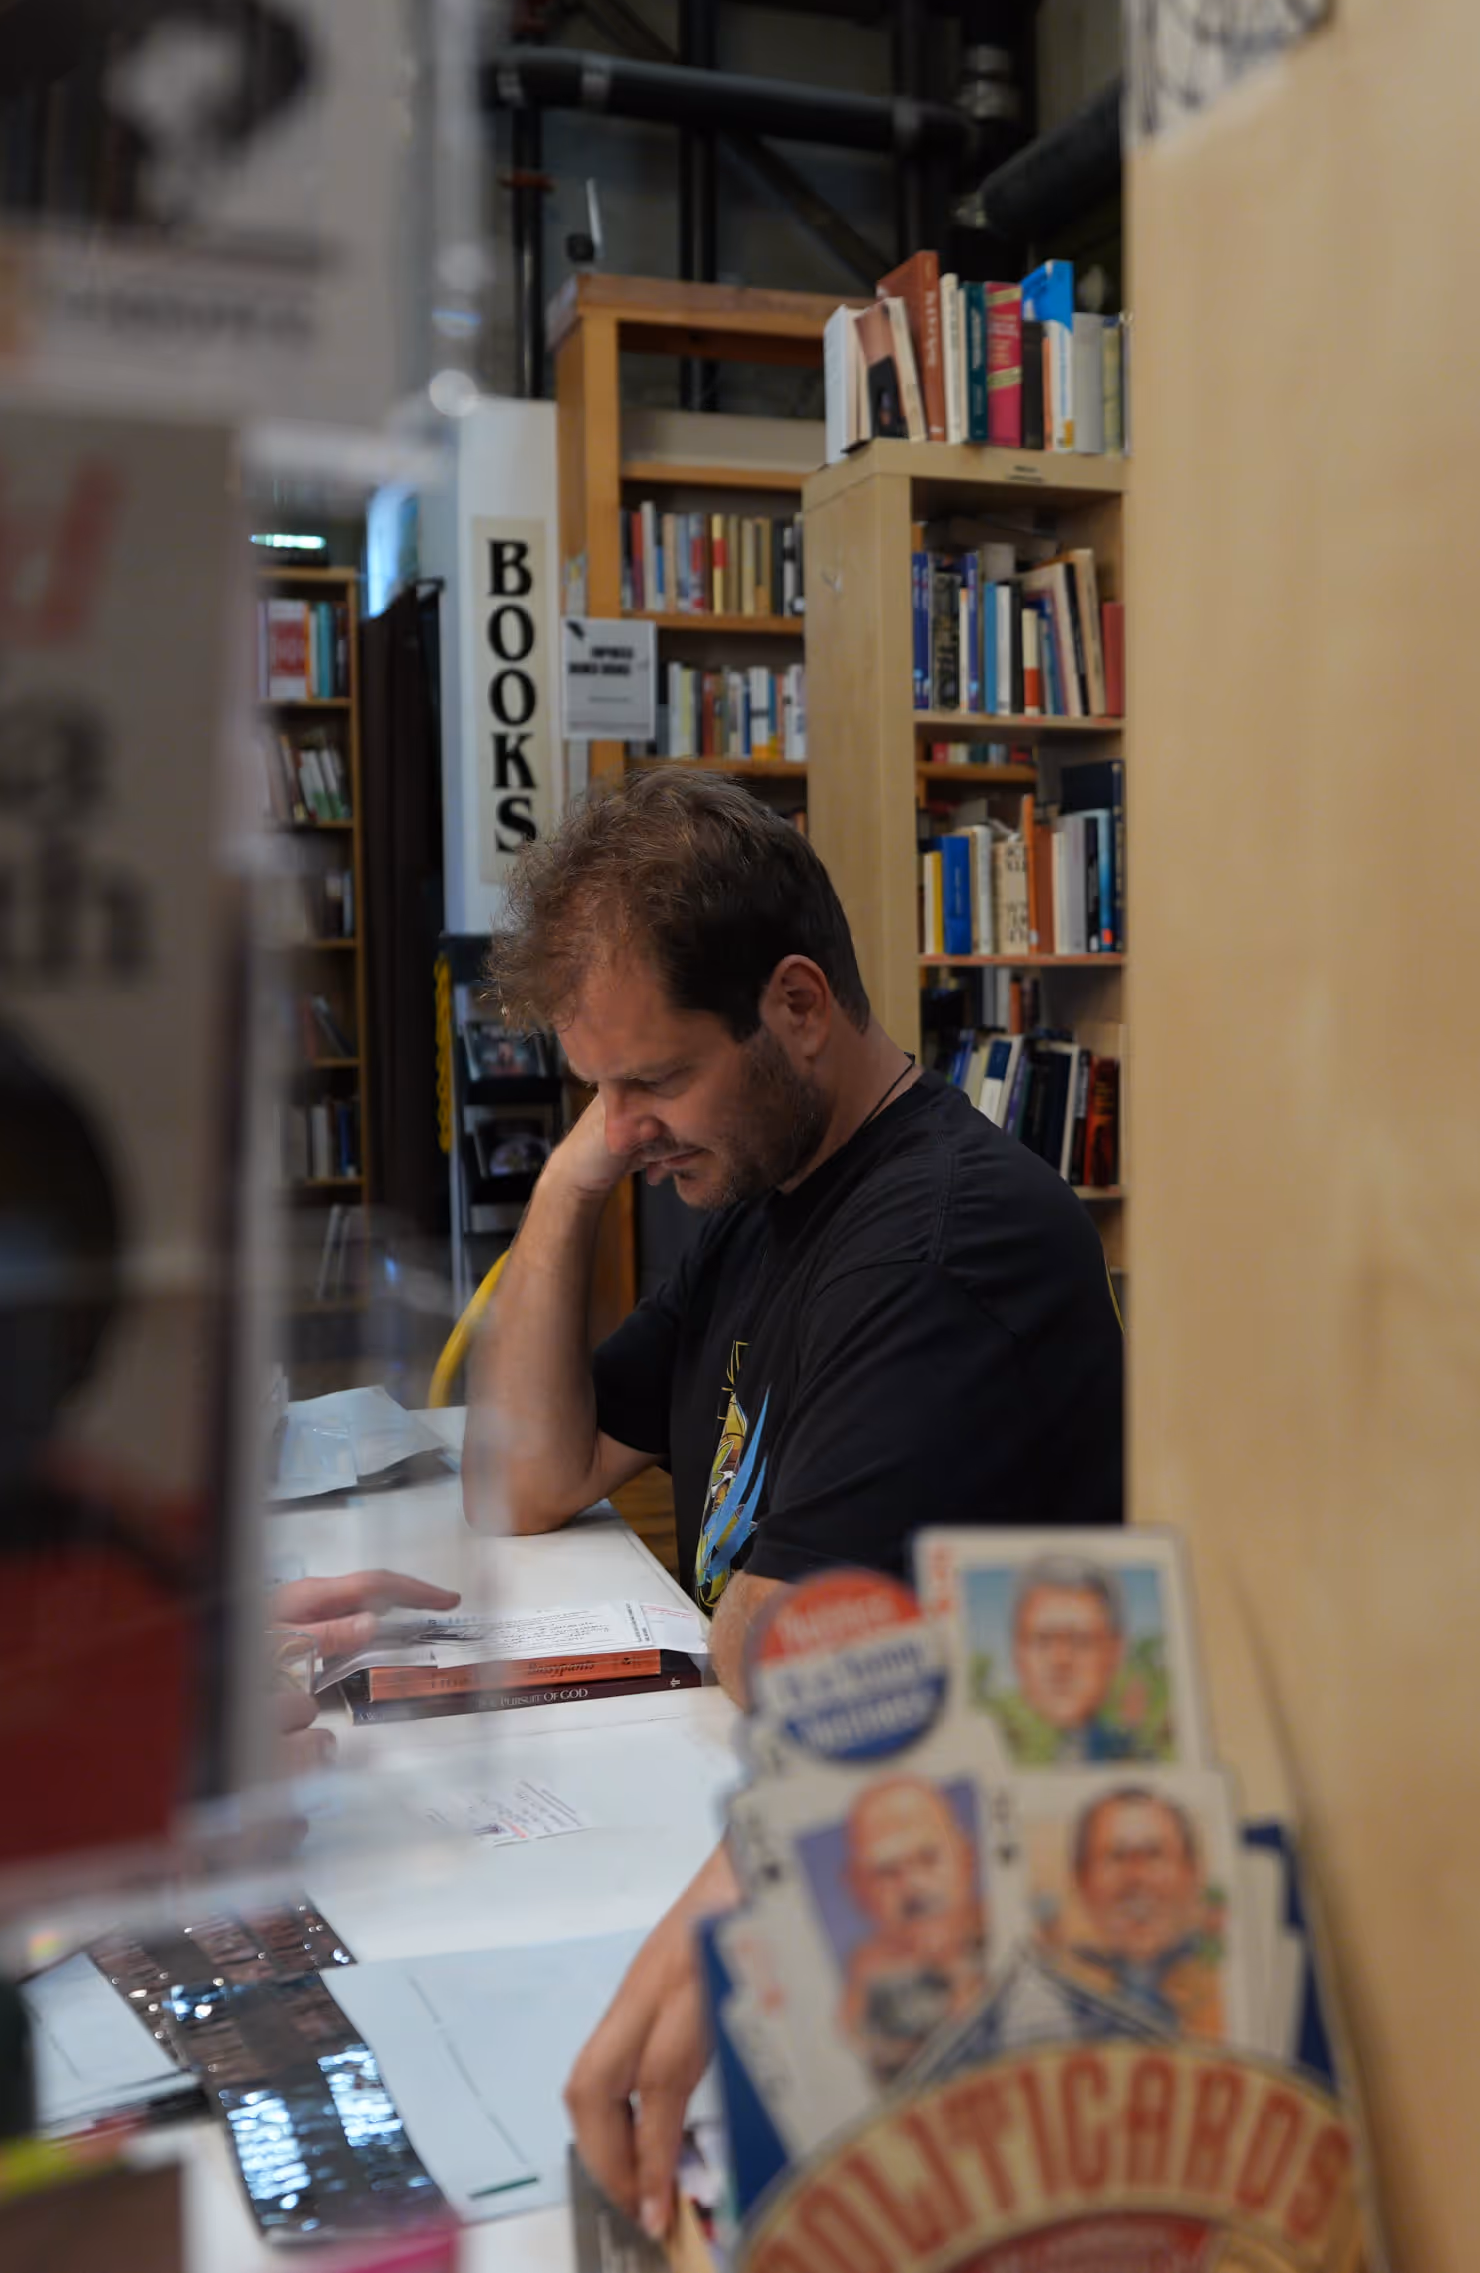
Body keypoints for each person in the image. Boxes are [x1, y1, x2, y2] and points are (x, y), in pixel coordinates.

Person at [470, 772, 1122, 2237]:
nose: (630, 1129)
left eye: (653, 1081)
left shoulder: (946, 1243)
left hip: (958, 1957)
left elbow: (766, 1636)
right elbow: (521, 1477)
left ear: (799, 1007)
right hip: (773, 1845)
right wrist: (578, 1176)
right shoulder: (763, 1191)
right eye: (599, 1091)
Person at [834, 1777, 989, 2084]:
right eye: (887, 1872)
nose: (913, 1886)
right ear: (858, 1888)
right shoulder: (863, 1988)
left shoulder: (1031, 1933)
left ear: (966, 1858)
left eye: (928, 1859)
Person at [1044, 1787, 1220, 2037]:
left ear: (1191, 1873)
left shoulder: (1224, 1986)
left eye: (1154, 1855)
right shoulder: (1054, 1995)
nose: (1136, 1877)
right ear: (1081, 1879)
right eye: (1116, 1857)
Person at [981, 1555, 1170, 1763]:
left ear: (1115, 1651)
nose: (1060, 1661)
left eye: (1080, 1641)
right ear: (1017, 1651)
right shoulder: (989, 1750)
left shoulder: (1134, 1755)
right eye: (1042, 1641)